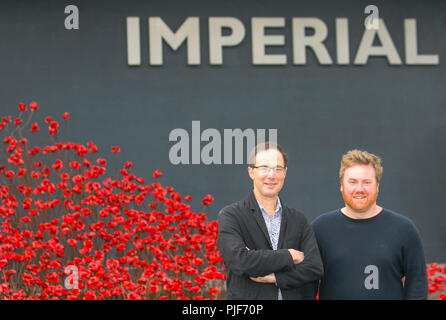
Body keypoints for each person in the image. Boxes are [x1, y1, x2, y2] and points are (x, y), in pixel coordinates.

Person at [302, 149, 428, 300]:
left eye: (367, 182)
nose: (359, 189)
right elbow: (306, 287)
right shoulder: (320, 229)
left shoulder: (404, 229)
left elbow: (417, 285)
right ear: (342, 185)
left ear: (377, 186)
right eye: (352, 182)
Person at [217, 142, 323, 300]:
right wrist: (289, 255)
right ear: (251, 172)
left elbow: (314, 268)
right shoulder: (231, 215)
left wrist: (276, 278)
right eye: (264, 168)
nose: (271, 175)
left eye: (277, 169)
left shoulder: (298, 220)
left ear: (285, 173)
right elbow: (241, 261)